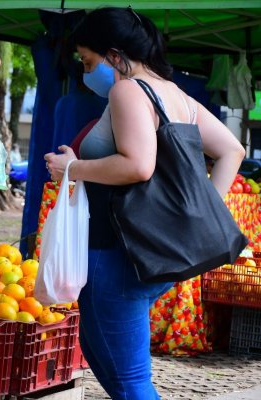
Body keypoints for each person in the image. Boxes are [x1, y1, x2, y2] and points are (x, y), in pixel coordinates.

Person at [43, 7, 245, 399]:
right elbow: (231, 151)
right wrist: (197, 218)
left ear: (114, 54)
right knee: (106, 358)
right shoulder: (176, 94)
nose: (86, 73)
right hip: (152, 256)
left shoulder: (128, 89)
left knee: (131, 381)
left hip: (118, 254)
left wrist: (75, 167)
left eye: (88, 61)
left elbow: (138, 165)